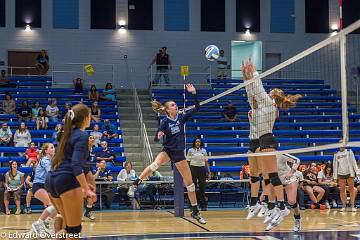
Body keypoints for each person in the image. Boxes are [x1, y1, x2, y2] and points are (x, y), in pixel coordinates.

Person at [128, 84, 206, 224]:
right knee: (154, 165)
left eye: (176, 105)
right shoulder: (164, 122)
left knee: (190, 185)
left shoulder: (181, 118)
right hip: (168, 151)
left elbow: (198, 108)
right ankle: (135, 184)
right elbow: (156, 138)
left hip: (179, 154)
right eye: (173, 105)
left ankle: (195, 211)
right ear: (168, 109)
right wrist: (159, 134)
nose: (176, 106)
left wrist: (193, 93)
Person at [242, 58, 301, 227]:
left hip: (267, 140)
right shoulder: (262, 106)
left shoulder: (269, 104)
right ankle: (267, 205)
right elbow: (252, 92)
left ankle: (279, 207)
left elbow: (258, 89)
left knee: (270, 176)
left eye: (269, 93)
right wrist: (246, 78)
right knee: (264, 175)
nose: (266, 94)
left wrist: (253, 72)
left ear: (273, 96)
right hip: (259, 140)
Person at [44, 103, 96, 237]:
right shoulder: (82, 135)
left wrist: (83, 184)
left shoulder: (66, 133)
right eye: (90, 116)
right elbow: (75, 164)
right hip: (66, 181)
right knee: (74, 232)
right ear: (85, 118)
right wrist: (86, 189)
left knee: (68, 227)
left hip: (52, 180)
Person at [265, 154, 300, 231]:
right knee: (272, 200)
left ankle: (297, 220)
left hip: (288, 179)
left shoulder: (281, 155)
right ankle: (275, 219)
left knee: (292, 201)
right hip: (276, 182)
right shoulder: (263, 158)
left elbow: (297, 160)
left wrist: (291, 172)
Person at [31, 143, 59, 235]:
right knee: (53, 205)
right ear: (46, 151)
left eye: (53, 147)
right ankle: (38, 223)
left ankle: (46, 222)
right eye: (51, 148)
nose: (53, 149)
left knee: (57, 206)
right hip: (38, 186)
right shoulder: (45, 160)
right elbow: (51, 173)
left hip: (46, 187)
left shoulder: (52, 160)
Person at [333, 143, 359, 212]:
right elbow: (335, 165)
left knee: (351, 189)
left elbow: (354, 162)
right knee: (342, 190)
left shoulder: (349, 152)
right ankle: (344, 206)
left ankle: (352, 206)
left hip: (349, 172)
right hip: (340, 173)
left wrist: (357, 172)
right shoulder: (336, 154)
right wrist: (335, 177)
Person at [186, 138, 211, 211]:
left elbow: (206, 162)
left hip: (202, 169)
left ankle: (203, 205)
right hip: (193, 169)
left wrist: (209, 172)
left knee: (202, 188)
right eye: (196, 142)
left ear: (200, 143)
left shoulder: (204, 151)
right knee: (192, 188)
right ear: (194, 143)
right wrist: (187, 172)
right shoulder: (190, 150)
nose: (197, 143)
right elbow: (187, 162)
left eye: (199, 142)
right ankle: (192, 205)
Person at [84, 136, 97, 220]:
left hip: (88, 169)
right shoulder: (84, 149)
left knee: (92, 190)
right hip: (82, 170)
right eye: (90, 138)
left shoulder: (93, 149)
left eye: (93, 138)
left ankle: (88, 210)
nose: (92, 139)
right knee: (82, 192)